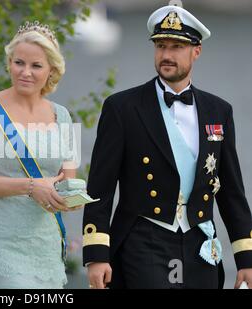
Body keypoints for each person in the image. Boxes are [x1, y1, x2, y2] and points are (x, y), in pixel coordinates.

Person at [83, 3, 252, 289]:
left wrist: (246, 258)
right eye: (161, 46)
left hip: (200, 244)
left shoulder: (218, 111)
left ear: (196, 51)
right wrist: (96, 254)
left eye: (176, 47)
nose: (166, 55)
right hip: (143, 239)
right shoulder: (122, 108)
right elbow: (100, 188)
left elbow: (232, 191)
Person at [0, 21, 80, 288]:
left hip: (47, 248)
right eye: (19, 63)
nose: (25, 72)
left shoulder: (62, 116)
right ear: (9, 62)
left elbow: (69, 183)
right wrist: (29, 186)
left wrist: (72, 199)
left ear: (52, 70)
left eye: (36, 66)